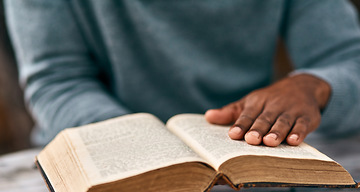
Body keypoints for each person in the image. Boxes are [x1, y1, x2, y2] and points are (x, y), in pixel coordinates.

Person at [4, 0, 360, 147]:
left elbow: (347, 58)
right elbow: (58, 83)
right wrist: (142, 143)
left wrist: (312, 86)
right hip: (98, 153)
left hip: (249, 154)